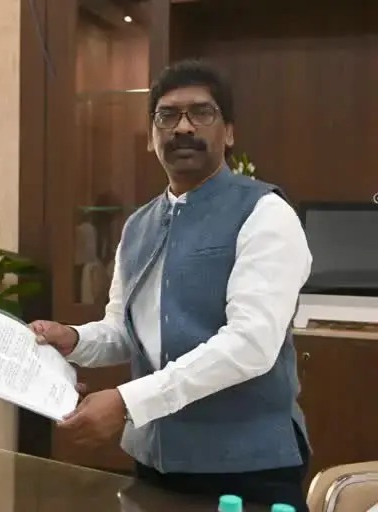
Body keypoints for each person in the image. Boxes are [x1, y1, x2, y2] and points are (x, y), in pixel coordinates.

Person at [31, 59, 312, 511]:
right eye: (167, 115)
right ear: (151, 136)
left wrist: (125, 402)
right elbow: (125, 331)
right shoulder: (138, 225)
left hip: (247, 468)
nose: (183, 127)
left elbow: (250, 344)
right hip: (155, 462)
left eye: (201, 113)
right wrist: (73, 339)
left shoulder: (265, 213)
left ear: (229, 132)